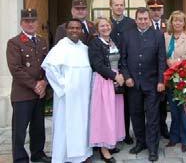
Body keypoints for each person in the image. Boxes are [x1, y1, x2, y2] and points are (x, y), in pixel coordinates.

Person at [42, 19, 92, 163]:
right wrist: (63, 87)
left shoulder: (84, 48)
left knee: (82, 125)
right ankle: (63, 156)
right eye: (71, 28)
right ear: (66, 30)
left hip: (83, 97)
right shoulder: (61, 46)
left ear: (81, 31)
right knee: (65, 126)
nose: (75, 30)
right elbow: (49, 67)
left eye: (78, 28)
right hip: (66, 97)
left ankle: (82, 155)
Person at [120, 7, 166, 161]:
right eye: (140, 19)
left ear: (149, 19)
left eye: (146, 19)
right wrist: (126, 77)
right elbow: (123, 59)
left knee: (153, 117)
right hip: (133, 84)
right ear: (136, 20)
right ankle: (141, 142)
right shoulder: (127, 35)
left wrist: (161, 80)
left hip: (152, 83)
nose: (143, 21)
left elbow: (161, 60)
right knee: (136, 115)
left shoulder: (158, 35)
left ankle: (153, 148)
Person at [6, 9, 51, 163]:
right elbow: (15, 69)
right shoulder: (14, 42)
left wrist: (44, 82)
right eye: (27, 21)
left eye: (33, 21)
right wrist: (35, 85)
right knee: (19, 130)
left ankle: (37, 154)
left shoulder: (42, 41)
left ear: (37, 22)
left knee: (38, 128)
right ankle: (20, 158)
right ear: (21, 23)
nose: (30, 24)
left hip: (40, 93)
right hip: (23, 94)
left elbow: (48, 65)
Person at [88, 17, 126, 163]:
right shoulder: (95, 43)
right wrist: (115, 76)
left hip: (116, 81)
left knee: (114, 113)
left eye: (107, 25)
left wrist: (120, 75)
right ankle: (103, 148)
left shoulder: (112, 41)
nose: (105, 28)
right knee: (104, 115)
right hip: (104, 81)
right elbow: (97, 65)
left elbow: (119, 60)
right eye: (102, 26)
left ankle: (110, 142)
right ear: (97, 29)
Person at [164, 10, 186, 152]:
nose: (177, 23)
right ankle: (174, 137)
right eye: (175, 20)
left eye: (180, 20)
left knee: (184, 110)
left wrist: (177, 62)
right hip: (171, 77)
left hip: (185, 76)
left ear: (184, 23)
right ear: (171, 22)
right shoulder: (166, 36)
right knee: (174, 109)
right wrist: (167, 61)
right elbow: (161, 53)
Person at [109, 0, 136, 145]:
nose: (119, 7)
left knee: (126, 104)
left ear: (124, 6)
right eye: (116, 4)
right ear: (111, 6)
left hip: (127, 68)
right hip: (109, 70)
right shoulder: (106, 23)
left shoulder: (131, 23)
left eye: (121, 5)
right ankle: (112, 133)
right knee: (110, 104)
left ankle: (125, 134)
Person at [147, 0, 169, 139]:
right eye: (153, 9)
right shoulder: (143, 24)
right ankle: (150, 129)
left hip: (166, 69)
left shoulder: (168, 25)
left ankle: (163, 127)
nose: (156, 12)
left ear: (162, 10)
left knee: (163, 101)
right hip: (149, 70)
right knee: (149, 103)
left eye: (158, 9)